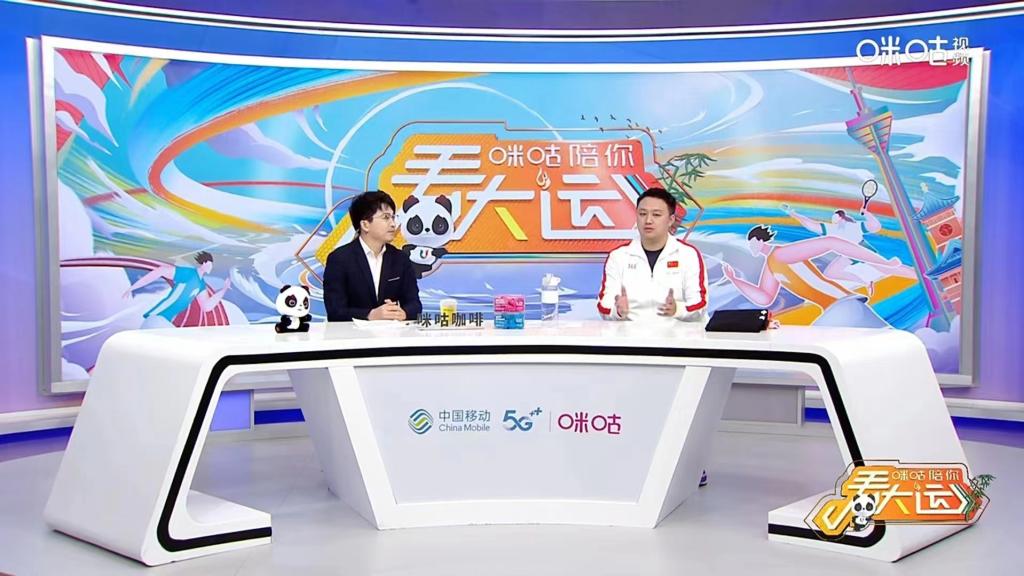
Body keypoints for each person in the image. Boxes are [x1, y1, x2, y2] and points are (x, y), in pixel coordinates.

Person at [723, 225, 911, 310]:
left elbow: (831, 242)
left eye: (751, 243)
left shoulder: (781, 254)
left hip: (843, 303)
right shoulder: (771, 265)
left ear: (759, 240)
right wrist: (734, 279)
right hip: (832, 309)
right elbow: (764, 298)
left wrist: (882, 262)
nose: (750, 247)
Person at [597, 187, 708, 322]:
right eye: (642, 214)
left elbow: (700, 304)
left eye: (656, 215)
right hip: (631, 333)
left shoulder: (688, 254)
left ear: (671, 220)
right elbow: (604, 305)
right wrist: (617, 311)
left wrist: (677, 310)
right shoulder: (619, 256)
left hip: (678, 333)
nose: (648, 220)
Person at [323, 190, 422, 322]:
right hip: (353, 334)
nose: (393, 224)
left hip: (392, 333)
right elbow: (335, 311)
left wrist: (403, 313)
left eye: (393, 217)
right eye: (386, 217)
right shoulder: (339, 259)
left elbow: (415, 304)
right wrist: (370, 315)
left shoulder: (400, 258)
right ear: (365, 224)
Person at [124, 250, 231, 328]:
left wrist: (224, 289)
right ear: (203, 263)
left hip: (165, 321)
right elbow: (162, 270)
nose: (210, 267)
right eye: (209, 264)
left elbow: (206, 306)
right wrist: (133, 287)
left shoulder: (201, 284)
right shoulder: (188, 273)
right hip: (157, 318)